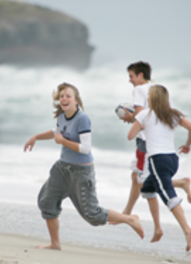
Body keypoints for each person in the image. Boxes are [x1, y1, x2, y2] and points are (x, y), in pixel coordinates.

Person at [24, 82, 144, 250]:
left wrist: (62, 141)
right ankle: (55, 244)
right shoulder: (61, 116)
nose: (64, 98)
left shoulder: (82, 118)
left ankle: (130, 219)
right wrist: (35, 137)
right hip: (62, 169)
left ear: (76, 100)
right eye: (61, 96)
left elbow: (85, 148)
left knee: (92, 215)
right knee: (46, 202)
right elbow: (55, 132)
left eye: (68, 96)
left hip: (81, 172)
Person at [119, 61, 191, 216]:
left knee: (145, 182)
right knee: (135, 176)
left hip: (147, 143)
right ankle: (127, 211)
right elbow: (165, 114)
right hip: (159, 143)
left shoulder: (138, 89)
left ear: (141, 75)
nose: (130, 80)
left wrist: (129, 117)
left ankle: (156, 224)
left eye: (131, 76)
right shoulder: (159, 91)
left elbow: (141, 116)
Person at [127, 84, 191, 251]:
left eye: (149, 96)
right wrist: (187, 145)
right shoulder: (171, 115)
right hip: (172, 159)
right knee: (148, 188)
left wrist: (142, 125)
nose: (147, 98)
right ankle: (158, 229)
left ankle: (187, 230)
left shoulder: (144, 114)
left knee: (168, 196)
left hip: (158, 160)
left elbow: (130, 136)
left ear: (152, 98)